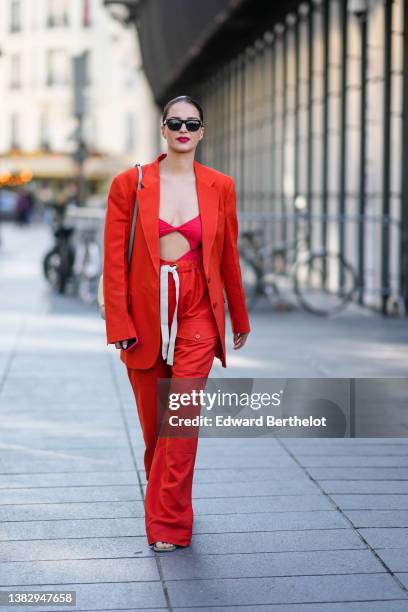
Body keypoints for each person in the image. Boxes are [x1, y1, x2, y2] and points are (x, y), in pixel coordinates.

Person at [103, 95, 251, 552]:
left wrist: (238, 316)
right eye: (175, 122)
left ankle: (168, 524)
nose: (183, 130)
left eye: (192, 124)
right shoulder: (130, 184)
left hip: (199, 310)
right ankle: (167, 497)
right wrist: (119, 322)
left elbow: (227, 253)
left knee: (180, 419)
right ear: (163, 130)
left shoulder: (220, 186)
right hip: (145, 312)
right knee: (155, 429)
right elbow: (112, 261)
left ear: (202, 132)